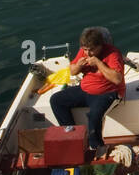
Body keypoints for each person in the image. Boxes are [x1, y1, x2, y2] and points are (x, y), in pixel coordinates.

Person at [50, 26, 125, 154]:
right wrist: (78, 65)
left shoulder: (113, 54)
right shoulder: (83, 52)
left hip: (108, 92)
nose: (88, 53)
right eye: (85, 50)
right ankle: (74, 137)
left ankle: (96, 147)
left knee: (93, 115)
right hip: (85, 89)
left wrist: (98, 63)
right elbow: (72, 71)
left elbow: (117, 79)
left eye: (91, 50)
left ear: (100, 46)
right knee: (56, 100)